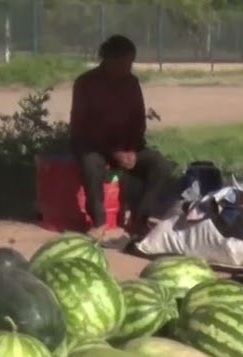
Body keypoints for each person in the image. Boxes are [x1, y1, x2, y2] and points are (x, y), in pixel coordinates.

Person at [69, 35, 172, 239]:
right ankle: (99, 222)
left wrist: (132, 150)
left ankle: (140, 219)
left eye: (130, 63)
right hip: (94, 146)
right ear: (109, 59)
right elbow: (83, 127)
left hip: (127, 146)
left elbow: (138, 120)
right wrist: (114, 153)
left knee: (160, 165)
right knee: (91, 166)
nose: (128, 67)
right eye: (124, 63)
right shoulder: (85, 83)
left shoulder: (131, 83)